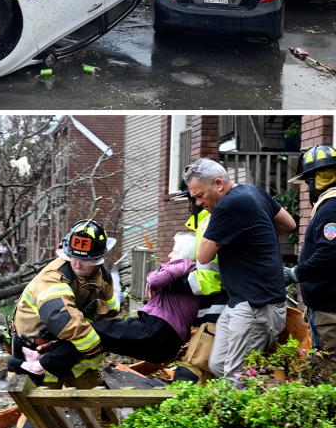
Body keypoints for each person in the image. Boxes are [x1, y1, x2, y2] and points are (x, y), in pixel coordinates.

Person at [9, 219, 119, 428]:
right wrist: (95, 345)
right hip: (39, 356)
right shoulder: (53, 278)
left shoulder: (104, 279)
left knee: (102, 406)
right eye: (74, 257)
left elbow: (109, 313)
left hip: (79, 354)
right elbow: (60, 317)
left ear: (99, 258)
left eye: (87, 260)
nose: (79, 264)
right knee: (37, 421)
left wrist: (101, 343)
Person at [184, 158, 295, 380]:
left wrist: (217, 226)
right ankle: (267, 393)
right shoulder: (254, 192)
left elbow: (203, 256)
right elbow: (288, 223)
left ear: (218, 184)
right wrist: (251, 236)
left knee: (236, 378)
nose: (197, 203)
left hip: (256, 306)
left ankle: (270, 404)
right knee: (218, 365)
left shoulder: (227, 206)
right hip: (240, 302)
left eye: (199, 195)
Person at [91, 233, 197, 364]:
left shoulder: (184, 264)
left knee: (103, 330)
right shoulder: (188, 272)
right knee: (107, 339)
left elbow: (155, 279)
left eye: (174, 252)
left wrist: (153, 276)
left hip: (160, 329)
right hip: (167, 339)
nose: (169, 255)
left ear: (184, 254)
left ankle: (77, 332)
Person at [173, 180, 228, 384]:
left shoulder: (211, 222)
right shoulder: (204, 221)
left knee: (191, 373)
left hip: (219, 312)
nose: (191, 204)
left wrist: (181, 283)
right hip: (210, 313)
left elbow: (212, 276)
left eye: (194, 199)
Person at [284, 145, 336, 351]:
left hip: (330, 311)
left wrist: (296, 273)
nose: (308, 189)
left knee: (329, 370)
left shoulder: (331, 208)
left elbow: (329, 252)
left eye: (308, 182)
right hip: (327, 307)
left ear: (319, 180)